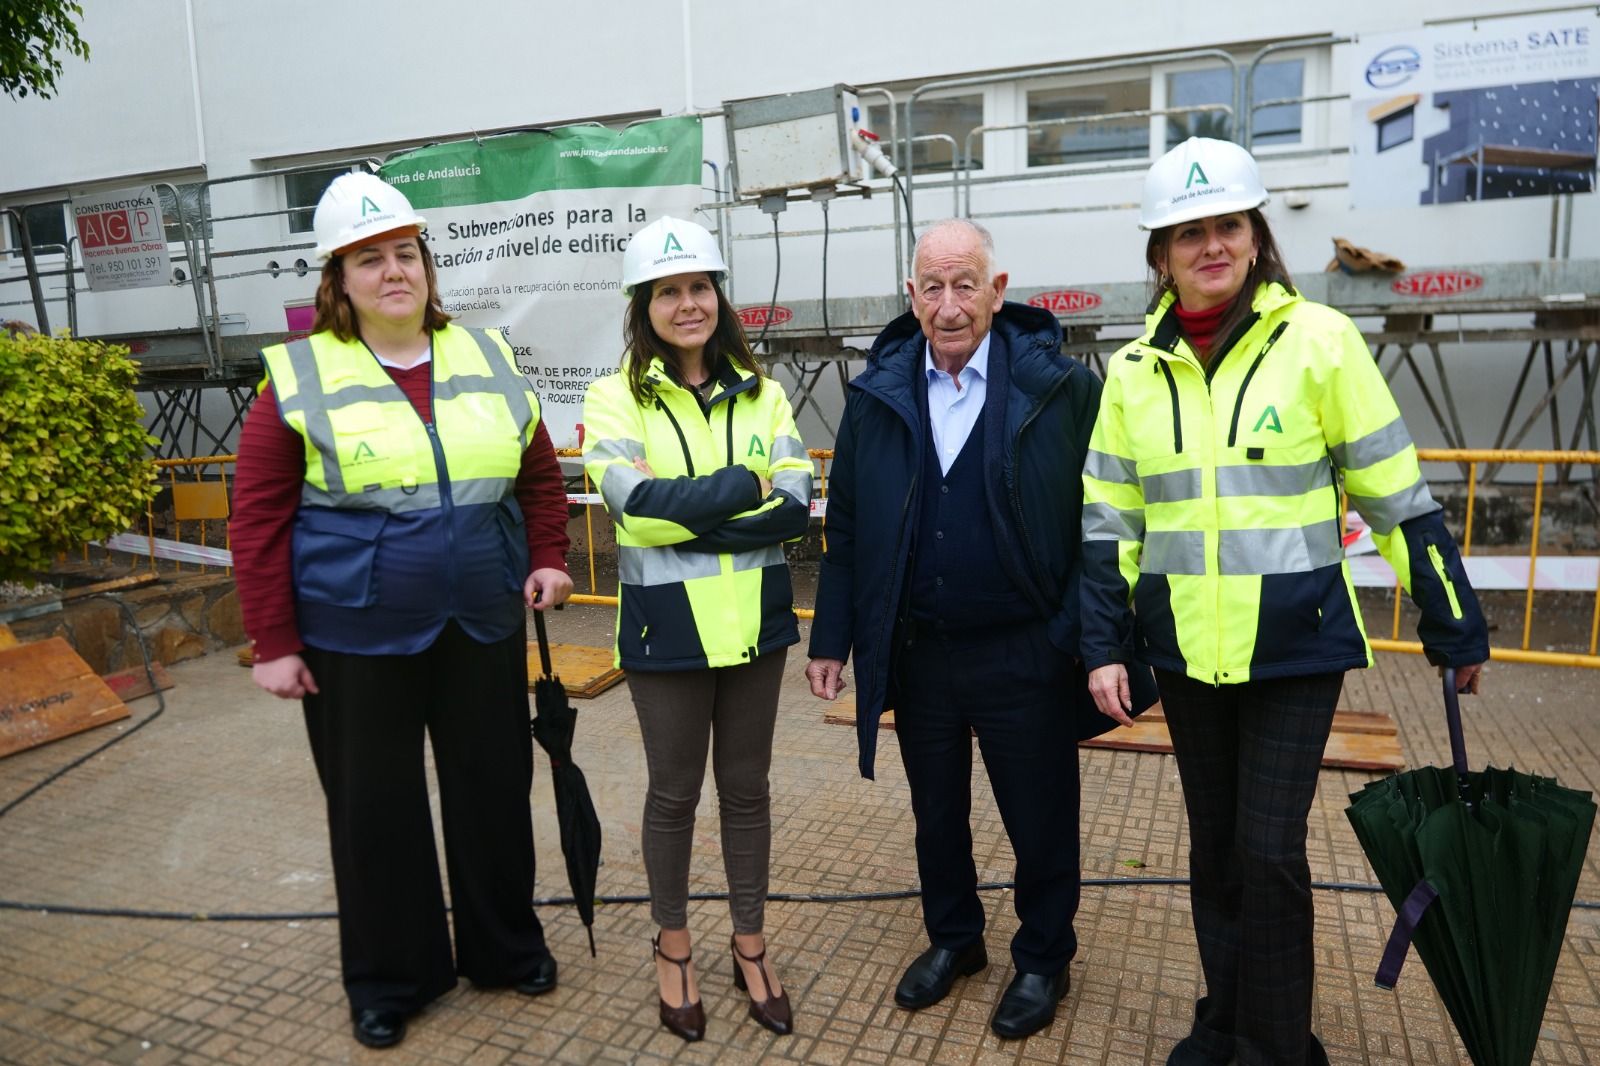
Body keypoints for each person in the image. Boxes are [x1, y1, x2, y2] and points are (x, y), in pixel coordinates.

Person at [1081, 138, 1490, 1066]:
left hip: (1294, 649)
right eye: (1189, 232)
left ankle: (1275, 1046)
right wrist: (1104, 644)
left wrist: (1454, 620)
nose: (1210, 245)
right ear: (1161, 255)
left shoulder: (1319, 341)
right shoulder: (1134, 373)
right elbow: (1107, 522)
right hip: (1183, 649)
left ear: (1256, 235)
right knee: (1217, 848)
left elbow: (1396, 497)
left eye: (1226, 225)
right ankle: (1224, 1021)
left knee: (1268, 852)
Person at [231, 172, 574, 1050]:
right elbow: (258, 518)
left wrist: (546, 556)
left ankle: (505, 948)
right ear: (337, 281)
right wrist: (273, 641)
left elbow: (538, 476)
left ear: (427, 264)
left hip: (481, 623)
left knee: (495, 792)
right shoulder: (298, 379)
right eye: (371, 258)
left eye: (406, 253)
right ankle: (392, 977)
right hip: (353, 635)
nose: (395, 271)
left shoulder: (486, 358)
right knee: (374, 810)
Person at [806, 218, 1155, 1041]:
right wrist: (833, 636)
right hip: (921, 650)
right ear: (911, 296)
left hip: (1024, 648)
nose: (950, 304)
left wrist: (1076, 634)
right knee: (937, 813)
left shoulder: (1061, 389)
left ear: (999, 291)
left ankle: (1043, 956)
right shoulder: (877, 396)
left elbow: (1106, 519)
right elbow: (847, 526)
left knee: (1039, 815)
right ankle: (956, 940)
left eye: (967, 285)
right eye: (933, 286)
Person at [581, 215, 812, 1042]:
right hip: (666, 635)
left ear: (720, 295)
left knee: (747, 793)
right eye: (669, 290)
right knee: (673, 795)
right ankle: (672, 947)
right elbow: (633, 511)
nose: (688, 303)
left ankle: (750, 943)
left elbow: (794, 506)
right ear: (643, 305)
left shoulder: (767, 391)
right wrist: (742, 481)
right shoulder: (612, 398)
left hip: (754, 626)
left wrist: (698, 510)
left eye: (700, 286)